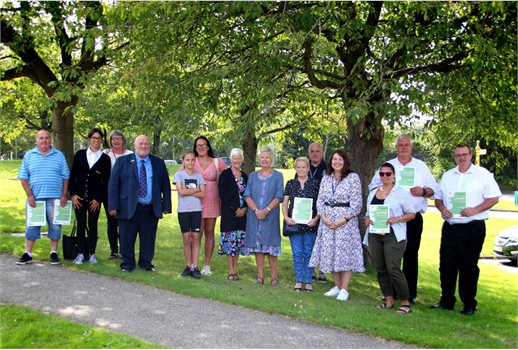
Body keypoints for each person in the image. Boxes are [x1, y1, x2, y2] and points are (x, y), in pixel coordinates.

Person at [432, 144, 501, 315]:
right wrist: (442, 209)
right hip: (450, 226)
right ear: (454, 157)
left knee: (468, 266)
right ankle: (447, 300)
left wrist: (475, 210)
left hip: (473, 227)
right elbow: (438, 199)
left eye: (464, 155)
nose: (461, 158)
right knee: (446, 265)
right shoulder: (448, 176)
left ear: (470, 155)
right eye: (458, 155)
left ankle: (469, 303)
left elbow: (494, 198)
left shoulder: (483, 175)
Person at [368, 134, 437, 304]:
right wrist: (389, 189)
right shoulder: (388, 166)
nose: (404, 148)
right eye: (400, 145)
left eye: (407, 145)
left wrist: (423, 191)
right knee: (389, 258)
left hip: (412, 218)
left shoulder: (420, 166)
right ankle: (392, 293)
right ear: (396, 147)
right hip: (387, 219)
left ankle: (410, 294)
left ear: (411, 147)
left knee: (411, 255)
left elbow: (434, 189)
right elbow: (372, 187)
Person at [108, 135, 172, 272]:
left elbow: (165, 185)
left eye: (146, 144)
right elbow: (113, 185)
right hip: (128, 207)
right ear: (134, 145)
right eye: (140, 144)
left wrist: (166, 206)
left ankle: (146, 263)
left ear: (150, 146)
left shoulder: (158, 163)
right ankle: (127, 264)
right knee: (126, 238)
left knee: (148, 239)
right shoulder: (122, 162)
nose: (143, 146)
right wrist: (113, 206)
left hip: (150, 208)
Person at [309, 150, 364, 301]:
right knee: (330, 253)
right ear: (331, 161)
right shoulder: (327, 178)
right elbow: (320, 200)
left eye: (340, 159)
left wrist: (343, 220)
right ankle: (337, 286)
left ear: (345, 161)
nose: (337, 162)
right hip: (327, 222)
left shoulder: (353, 178)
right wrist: (324, 218)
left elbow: (357, 203)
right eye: (334, 159)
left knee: (344, 255)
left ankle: (344, 289)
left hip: (345, 222)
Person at [364, 163, 416, 314]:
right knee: (380, 268)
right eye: (382, 174)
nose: (385, 177)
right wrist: (367, 219)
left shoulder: (401, 193)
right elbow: (368, 213)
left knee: (393, 268)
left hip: (393, 235)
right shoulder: (373, 192)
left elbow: (411, 214)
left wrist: (397, 219)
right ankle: (388, 299)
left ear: (394, 175)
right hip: (375, 234)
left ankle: (405, 301)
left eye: (388, 174)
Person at [16, 129, 70, 265]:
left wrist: (64, 195)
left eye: (47, 138)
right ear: (36, 140)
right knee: (31, 226)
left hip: (55, 198)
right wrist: (29, 195)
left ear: (51, 139)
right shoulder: (29, 155)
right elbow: (23, 177)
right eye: (41, 138)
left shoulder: (59, 155)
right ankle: (28, 253)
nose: (44, 140)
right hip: (36, 199)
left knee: (55, 227)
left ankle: (53, 252)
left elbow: (65, 176)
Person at [69, 128, 111, 264]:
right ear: (89, 139)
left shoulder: (105, 159)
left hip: (94, 200)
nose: (96, 141)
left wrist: (98, 199)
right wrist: (73, 194)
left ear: (101, 140)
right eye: (93, 138)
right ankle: (80, 253)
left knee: (93, 225)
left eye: (98, 138)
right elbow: (72, 176)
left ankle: (92, 253)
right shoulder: (80, 154)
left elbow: (106, 181)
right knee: (81, 224)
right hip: (79, 198)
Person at [244, 146, 284, 285]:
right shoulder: (253, 176)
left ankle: (274, 278)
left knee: (271, 247)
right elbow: (247, 195)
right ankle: (260, 277)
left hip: (270, 217)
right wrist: (257, 211)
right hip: (254, 217)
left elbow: (279, 195)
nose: (264, 159)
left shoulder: (278, 176)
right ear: (259, 159)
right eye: (262, 157)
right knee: (258, 247)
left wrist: (266, 210)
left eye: (267, 157)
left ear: (271, 158)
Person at [191, 136, 227, 276]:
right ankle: (194, 263)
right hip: (195, 201)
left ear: (208, 147)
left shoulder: (217, 163)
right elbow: (180, 177)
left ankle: (207, 265)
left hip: (212, 200)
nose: (201, 147)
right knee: (196, 233)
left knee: (210, 232)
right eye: (198, 145)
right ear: (195, 147)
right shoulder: (191, 161)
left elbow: (228, 177)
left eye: (203, 145)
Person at [282, 157, 319, 292]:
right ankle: (299, 280)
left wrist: (316, 219)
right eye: (299, 167)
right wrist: (286, 217)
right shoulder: (290, 183)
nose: (301, 169)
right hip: (294, 224)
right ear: (295, 168)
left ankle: (308, 281)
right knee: (297, 253)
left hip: (310, 224)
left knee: (308, 252)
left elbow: (320, 204)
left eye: (304, 167)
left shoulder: (315, 183)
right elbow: (285, 203)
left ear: (308, 168)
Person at [173, 151, 206, 279]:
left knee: (196, 238)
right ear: (183, 161)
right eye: (187, 160)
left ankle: (195, 267)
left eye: (192, 160)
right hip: (183, 211)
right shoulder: (179, 175)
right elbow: (181, 192)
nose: (190, 162)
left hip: (196, 210)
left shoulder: (199, 176)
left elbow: (203, 194)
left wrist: (188, 191)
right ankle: (188, 266)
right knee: (186, 239)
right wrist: (196, 189)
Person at [218, 148, 248, 281]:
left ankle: (236, 270)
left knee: (237, 243)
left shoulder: (245, 176)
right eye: (234, 158)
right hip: (229, 214)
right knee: (230, 243)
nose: (237, 160)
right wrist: (235, 208)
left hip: (243, 215)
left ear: (242, 159)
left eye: (239, 158)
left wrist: (245, 208)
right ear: (231, 159)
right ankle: (231, 271)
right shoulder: (225, 174)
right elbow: (222, 194)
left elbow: (249, 194)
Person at [103, 130, 133, 259]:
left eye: (119, 138)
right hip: (109, 193)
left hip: (126, 194)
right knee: (112, 223)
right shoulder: (105, 155)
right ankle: (114, 250)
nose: (116, 141)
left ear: (123, 140)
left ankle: (124, 250)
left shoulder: (131, 155)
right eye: (113, 138)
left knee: (125, 223)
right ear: (110, 141)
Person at [306, 142, 328, 282]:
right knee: (310, 240)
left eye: (317, 151)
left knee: (323, 240)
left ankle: (323, 271)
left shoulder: (328, 168)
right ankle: (311, 269)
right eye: (312, 151)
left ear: (322, 153)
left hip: (325, 209)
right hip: (307, 208)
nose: (314, 153)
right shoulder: (303, 166)